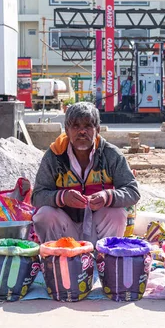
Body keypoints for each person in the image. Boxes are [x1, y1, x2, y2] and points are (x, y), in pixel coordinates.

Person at [32, 102, 140, 245]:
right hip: (64, 232)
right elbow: (37, 196)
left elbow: (132, 191)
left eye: (88, 126)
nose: (82, 132)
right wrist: (62, 197)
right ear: (67, 130)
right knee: (44, 214)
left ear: (97, 130)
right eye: (75, 126)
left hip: (97, 230)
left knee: (117, 214)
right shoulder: (54, 156)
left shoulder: (111, 155)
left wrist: (107, 196)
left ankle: (103, 259)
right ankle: (58, 258)